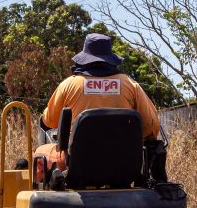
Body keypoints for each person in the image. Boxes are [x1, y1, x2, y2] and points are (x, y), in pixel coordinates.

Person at [35, 33, 162, 177]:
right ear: (110, 59)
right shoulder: (130, 85)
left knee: (39, 153)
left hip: (78, 164)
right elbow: (151, 126)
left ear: (84, 58)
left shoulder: (69, 84)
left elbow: (49, 121)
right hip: (124, 164)